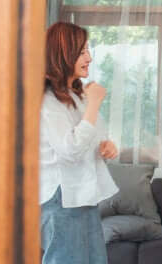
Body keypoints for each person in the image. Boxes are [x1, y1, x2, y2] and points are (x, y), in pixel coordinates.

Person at [40, 22, 119, 264]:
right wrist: (94, 103)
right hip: (61, 197)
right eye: (83, 51)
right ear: (64, 54)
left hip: (83, 194)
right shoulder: (48, 101)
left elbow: (95, 135)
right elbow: (70, 150)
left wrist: (108, 145)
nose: (90, 58)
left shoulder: (76, 95)